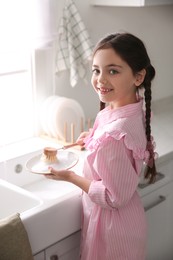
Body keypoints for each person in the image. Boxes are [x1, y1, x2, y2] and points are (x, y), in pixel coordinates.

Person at [46, 32, 157, 260]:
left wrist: (70, 177)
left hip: (112, 233)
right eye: (96, 70)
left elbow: (112, 197)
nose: (101, 79)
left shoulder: (114, 135)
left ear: (138, 77)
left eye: (113, 71)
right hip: (128, 224)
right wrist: (93, 137)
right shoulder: (129, 108)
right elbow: (121, 143)